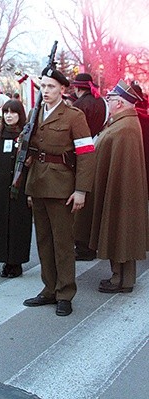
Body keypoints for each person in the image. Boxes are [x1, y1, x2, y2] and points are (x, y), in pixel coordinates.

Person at [22, 66, 95, 317]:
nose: (46, 91)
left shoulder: (73, 116)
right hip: (38, 184)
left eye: (51, 86)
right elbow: (30, 151)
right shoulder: (35, 113)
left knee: (63, 243)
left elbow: (86, 155)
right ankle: (49, 289)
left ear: (63, 89)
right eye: (43, 86)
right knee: (43, 241)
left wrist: (81, 190)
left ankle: (65, 293)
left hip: (62, 186)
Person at [90, 79, 148, 294]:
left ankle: (121, 280)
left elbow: (123, 168)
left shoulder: (125, 127)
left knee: (121, 234)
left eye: (111, 98)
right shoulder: (122, 122)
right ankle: (121, 278)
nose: (109, 102)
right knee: (120, 233)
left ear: (121, 103)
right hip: (119, 189)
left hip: (122, 192)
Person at [0, 100, 32, 278]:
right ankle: (3, 259)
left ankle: (16, 262)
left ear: (20, 114)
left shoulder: (27, 135)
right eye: (6, 112)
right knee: (0, 223)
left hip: (20, 187)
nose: (9, 116)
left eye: (13, 112)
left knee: (18, 225)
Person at [71, 73, 108, 261]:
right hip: (98, 148)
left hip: (80, 153)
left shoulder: (77, 107)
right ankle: (91, 243)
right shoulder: (103, 103)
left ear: (78, 88)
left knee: (80, 202)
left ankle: (83, 245)